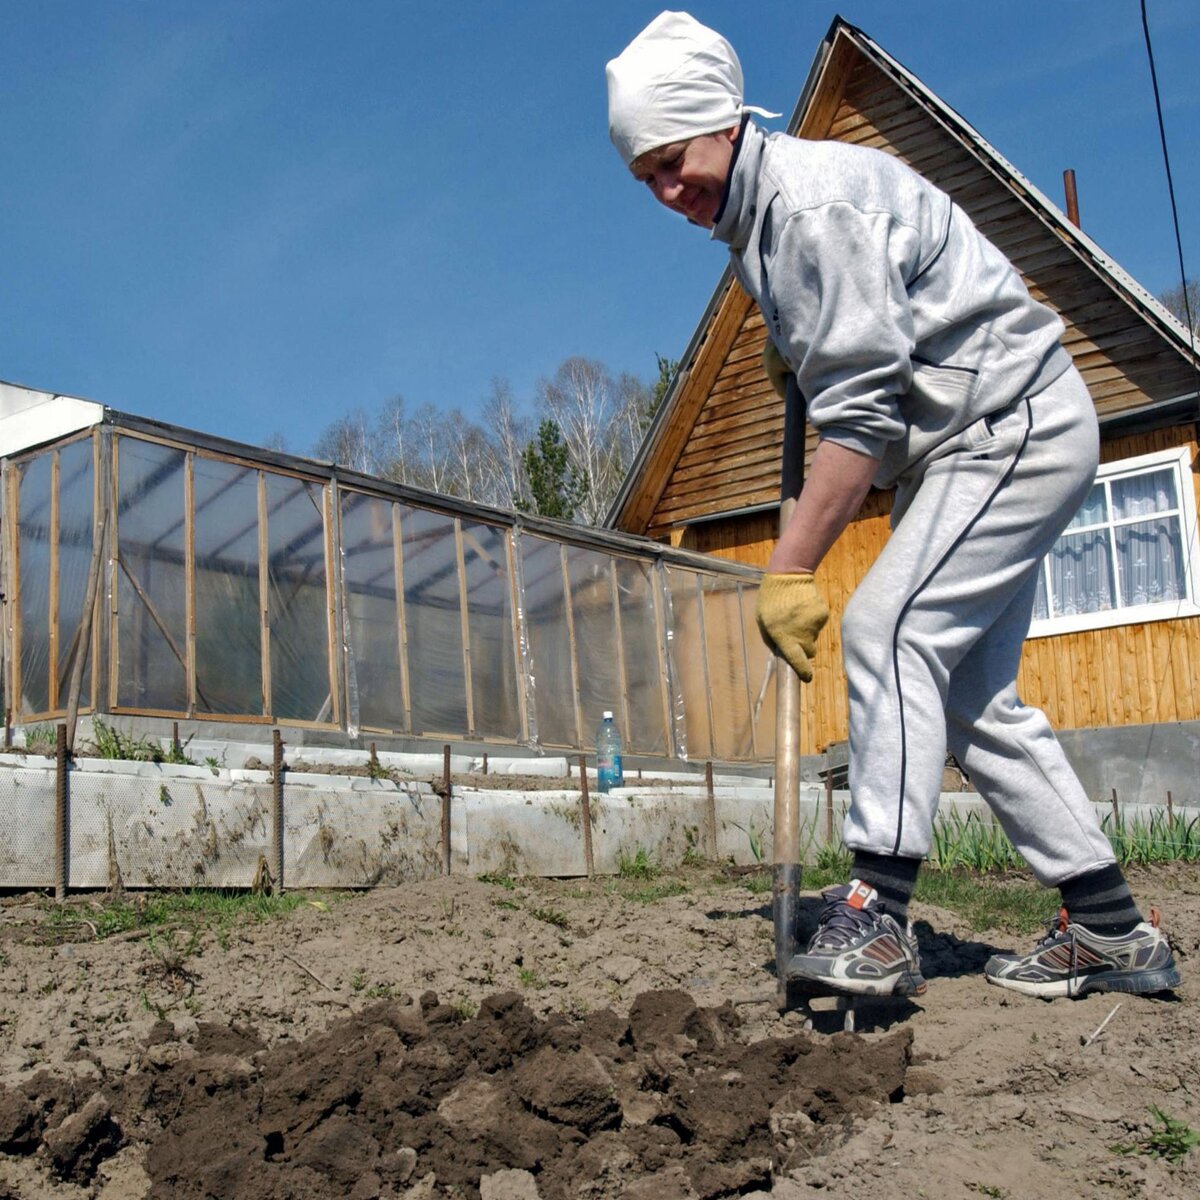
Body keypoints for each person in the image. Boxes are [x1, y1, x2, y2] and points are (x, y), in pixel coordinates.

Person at [606, 11, 1181, 1001]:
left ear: (723, 122)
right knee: (967, 701)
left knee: (887, 632)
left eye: (673, 160)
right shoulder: (761, 227)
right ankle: (1110, 929)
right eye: (645, 176)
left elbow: (861, 428)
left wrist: (787, 566)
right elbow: (852, 377)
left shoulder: (810, 208)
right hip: (974, 443)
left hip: (1009, 424)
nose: (667, 192)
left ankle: (876, 913)